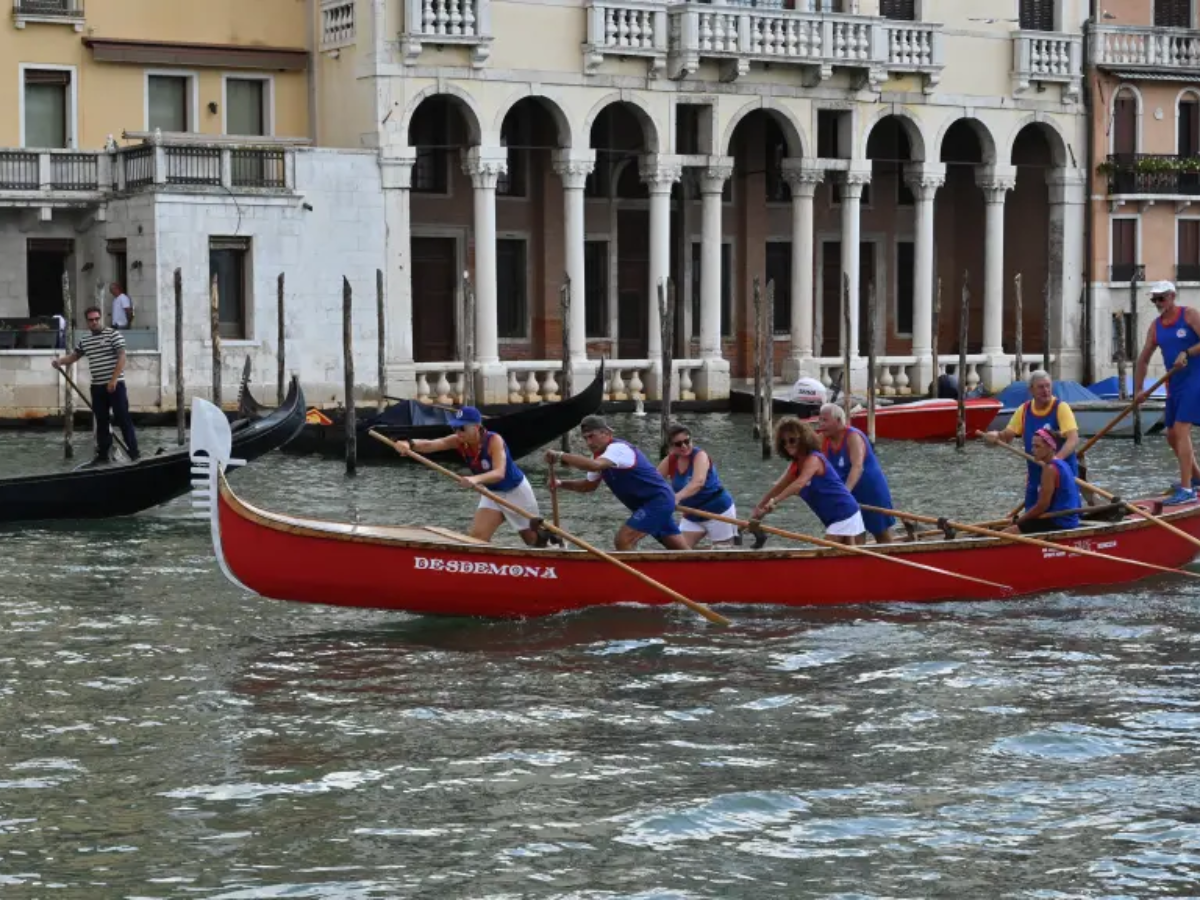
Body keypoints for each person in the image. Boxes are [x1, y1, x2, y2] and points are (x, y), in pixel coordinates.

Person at [395, 407, 542, 546]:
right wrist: (409, 443)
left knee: (533, 541)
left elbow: (499, 473)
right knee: (477, 538)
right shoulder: (459, 441)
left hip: (516, 491)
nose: (458, 432)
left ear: (476, 427)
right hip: (492, 493)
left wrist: (474, 480)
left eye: (462, 428)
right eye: (455, 428)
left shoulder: (494, 440)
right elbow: (432, 444)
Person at [546, 415, 689, 551]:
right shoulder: (600, 456)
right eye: (585, 438)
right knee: (683, 553)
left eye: (592, 436)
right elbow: (588, 486)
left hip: (658, 502)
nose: (589, 443)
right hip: (646, 506)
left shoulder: (618, 449)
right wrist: (560, 483)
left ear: (606, 433)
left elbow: (594, 466)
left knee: (623, 540)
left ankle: (632, 576)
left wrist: (560, 455)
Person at [1134, 280, 1200, 504]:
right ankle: (1197, 478)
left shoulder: (1189, 315)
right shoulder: (1156, 326)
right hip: (1174, 384)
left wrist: (1188, 352)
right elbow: (1143, 359)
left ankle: (1186, 490)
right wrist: (1139, 389)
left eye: (1161, 298)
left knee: (1181, 430)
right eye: (1154, 299)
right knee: (1171, 436)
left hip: (1196, 380)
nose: (1158, 303)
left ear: (1172, 296)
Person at [751, 417, 865, 545]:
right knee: (847, 558)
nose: (788, 445)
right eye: (784, 442)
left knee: (825, 556)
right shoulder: (796, 466)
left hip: (844, 513)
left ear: (803, 439)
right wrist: (759, 509)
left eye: (792, 440)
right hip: (833, 518)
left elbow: (799, 484)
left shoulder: (814, 459)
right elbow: (778, 487)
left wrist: (775, 501)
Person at [51, 306, 140, 463]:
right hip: (98, 387)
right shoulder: (85, 340)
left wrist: (112, 380)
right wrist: (60, 362)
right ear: (87, 321)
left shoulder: (113, 334)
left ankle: (134, 453)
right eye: (91, 320)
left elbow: (122, 358)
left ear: (100, 319)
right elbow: (74, 356)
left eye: (96, 319)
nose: (94, 322)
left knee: (123, 418)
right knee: (102, 421)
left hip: (115, 385)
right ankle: (103, 455)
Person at [983, 369, 1079, 513]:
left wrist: (1055, 462)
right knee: (1031, 517)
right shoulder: (1024, 410)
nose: (1046, 390)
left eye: (1048, 386)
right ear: (1031, 390)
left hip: (1061, 476)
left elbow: (1073, 439)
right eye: (1041, 387)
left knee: (1065, 517)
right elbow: (1007, 436)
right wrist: (995, 435)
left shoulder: (1061, 408)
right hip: (1036, 475)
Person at [817, 403, 895, 543]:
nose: (821, 424)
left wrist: (844, 493)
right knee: (853, 535)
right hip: (849, 494)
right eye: (820, 420)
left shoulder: (852, 436)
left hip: (870, 491)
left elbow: (857, 467)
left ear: (838, 421)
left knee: (881, 534)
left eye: (825, 420)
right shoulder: (823, 439)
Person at [656, 423, 737, 548]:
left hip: (718, 511)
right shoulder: (670, 460)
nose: (684, 446)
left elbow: (698, 483)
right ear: (671, 447)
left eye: (687, 441)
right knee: (678, 549)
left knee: (723, 551)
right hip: (692, 513)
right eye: (678, 444)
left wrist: (677, 497)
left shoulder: (700, 455)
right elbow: (654, 481)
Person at [1004, 428, 1082, 534]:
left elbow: (1042, 505)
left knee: (1006, 533)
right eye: (1032, 446)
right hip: (1069, 519)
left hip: (1059, 522)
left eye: (1037, 446)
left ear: (1050, 447)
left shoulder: (1049, 469)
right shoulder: (1063, 464)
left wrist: (1018, 521)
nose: (1033, 450)